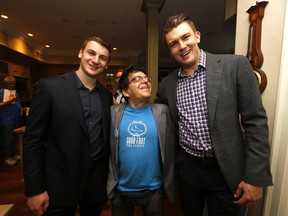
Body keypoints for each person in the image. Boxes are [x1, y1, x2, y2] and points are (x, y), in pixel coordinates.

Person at [154, 13, 273, 216]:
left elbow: (256, 122)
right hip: (190, 170)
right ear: (170, 51)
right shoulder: (167, 84)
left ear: (197, 36)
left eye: (185, 37)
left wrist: (255, 177)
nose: (181, 46)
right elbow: (159, 117)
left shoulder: (234, 66)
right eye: (174, 43)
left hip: (227, 170)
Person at [23, 36, 113, 216]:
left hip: (95, 184)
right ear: (80, 53)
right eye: (91, 53)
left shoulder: (106, 96)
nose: (96, 60)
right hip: (58, 183)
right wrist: (34, 189)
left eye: (102, 57)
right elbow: (33, 141)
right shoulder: (50, 87)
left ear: (106, 64)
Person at [107, 65, 176, 216]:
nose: (145, 81)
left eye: (146, 78)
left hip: (153, 190)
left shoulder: (162, 112)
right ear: (125, 91)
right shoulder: (113, 113)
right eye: (137, 79)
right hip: (121, 189)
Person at [0, 75, 22, 166]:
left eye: (14, 83)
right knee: (7, 140)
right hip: (6, 120)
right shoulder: (1, 92)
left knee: (14, 139)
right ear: (5, 84)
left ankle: (13, 155)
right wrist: (10, 101)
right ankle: (6, 158)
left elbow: (18, 104)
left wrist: (20, 111)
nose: (12, 85)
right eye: (10, 83)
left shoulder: (15, 93)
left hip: (16, 120)